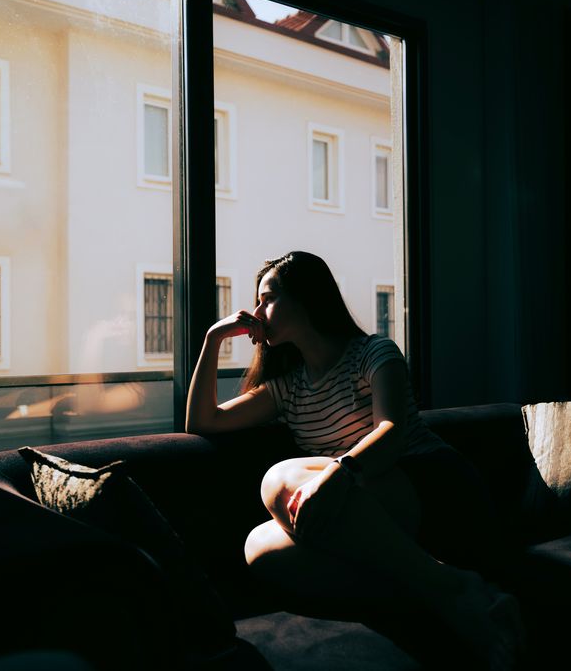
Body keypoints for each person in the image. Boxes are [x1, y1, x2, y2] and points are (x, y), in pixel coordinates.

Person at [185, 251, 524, 668]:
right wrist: (212, 339)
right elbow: (203, 421)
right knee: (260, 547)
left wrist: (339, 473)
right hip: (371, 512)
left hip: (429, 485)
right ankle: (443, 591)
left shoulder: (374, 352)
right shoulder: (287, 388)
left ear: (306, 298)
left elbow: (391, 431)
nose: (257, 312)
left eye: (267, 298)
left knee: (278, 479)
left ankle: (455, 592)